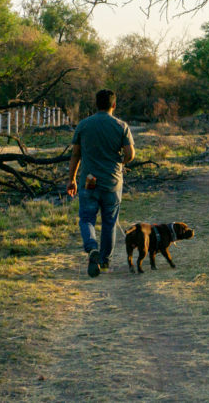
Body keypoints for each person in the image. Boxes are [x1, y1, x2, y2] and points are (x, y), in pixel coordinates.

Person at [67, 89, 135, 277]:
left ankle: (92, 248)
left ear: (96, 104)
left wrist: (72, 179)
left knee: (87, 218)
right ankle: (104, 262)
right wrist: (121, 162)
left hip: (89, 181)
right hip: (112, 182)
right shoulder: (121, 126)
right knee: (109, 223)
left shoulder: (84, 125)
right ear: (114, 105)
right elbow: (130, 154)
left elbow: (75, 154)